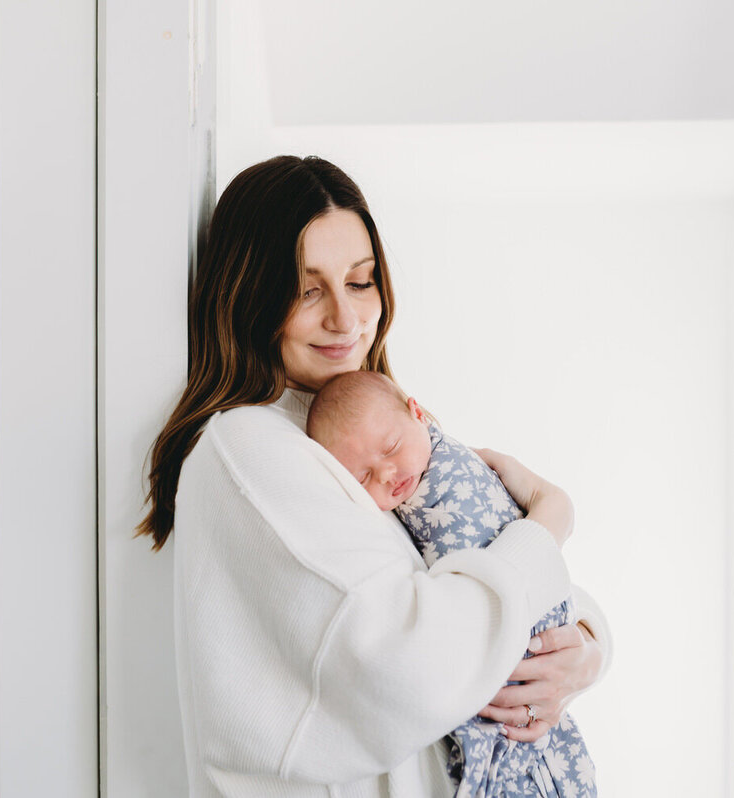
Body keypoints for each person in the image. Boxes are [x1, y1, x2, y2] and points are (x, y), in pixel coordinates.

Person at [137, 154, 611, 798]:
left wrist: (584, 648)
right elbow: (416, 666)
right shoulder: (249, 446)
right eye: (306, 290)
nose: (345, 317)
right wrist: (550, 519)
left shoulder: (371, 429)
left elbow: (480, 556)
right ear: (249, 296)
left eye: (360, 282)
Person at [306, 370, 596, 797]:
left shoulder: (454, 469)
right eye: (363, 479)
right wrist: (553, 511)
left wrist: (590, 640)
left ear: (417, 412)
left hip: (534, 656)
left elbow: (523, 559)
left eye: (390, 448)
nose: (387, 474)